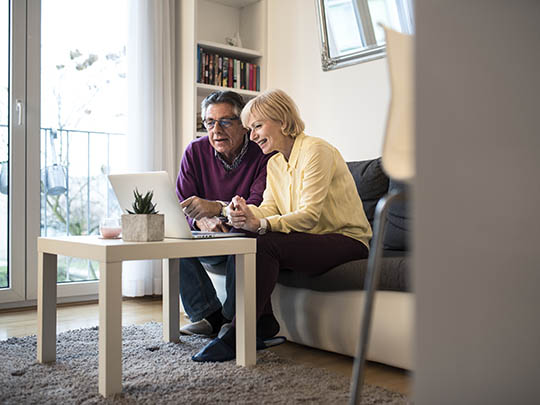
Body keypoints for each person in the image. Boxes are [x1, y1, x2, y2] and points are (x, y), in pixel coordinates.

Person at [192, 89, 372, 362]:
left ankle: (237, 334)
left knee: (264, 243)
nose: (252, 136)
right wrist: (239, 213)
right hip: (309, 239)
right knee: (248, 239)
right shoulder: (275, 163)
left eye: (257, 126)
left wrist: (261, 223)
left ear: (283, 121)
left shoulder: (316, 150)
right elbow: (268, 209)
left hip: (346, 240)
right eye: (250, 129)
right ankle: (262, 324)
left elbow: (309, 215)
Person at [176, 90, 276, 338]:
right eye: (210, 122)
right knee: (172, 240)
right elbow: (181, 202)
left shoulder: (262, 154)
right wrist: (200, 220)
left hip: (239, 235)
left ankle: (232, 321)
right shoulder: (194, 152)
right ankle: (208, 315)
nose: (216, 130)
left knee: (243, 237)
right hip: (206, 239)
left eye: (225, 122)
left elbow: (256, 204)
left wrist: (217, 213)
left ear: (243, 126)